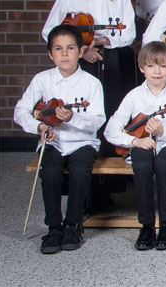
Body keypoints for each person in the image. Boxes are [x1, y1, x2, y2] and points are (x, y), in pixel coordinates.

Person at [13, 25, 106, 254]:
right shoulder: (42, 80)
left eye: (71, 48)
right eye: (58, 49)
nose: (65, 54)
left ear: (81, 51)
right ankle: (54, 227)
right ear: (50, 54)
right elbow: (20, 111)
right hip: (53, 142)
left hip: (82, 142)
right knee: (50, 172)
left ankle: (73, 224)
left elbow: (97, 120)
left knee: (79, 172)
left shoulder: (91, 83)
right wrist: (40, 125)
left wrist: (73, 117)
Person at [104, 41, 166, 251]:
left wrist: (164, 133)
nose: (157, 71)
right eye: (151, 66)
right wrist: (134, 141)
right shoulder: (134, 96)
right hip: (142, 144)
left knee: (164, 164)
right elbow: (110, 130)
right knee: (142, 165)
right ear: (141, 68)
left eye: (163, 66)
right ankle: (146, 225)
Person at [41, 0, 137, 117]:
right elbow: (49, 31)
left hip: (112, 59)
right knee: (83, 108)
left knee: (112, 107)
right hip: (79, 61)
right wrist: (79, 50)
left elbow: (130, 33)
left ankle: (109, 147)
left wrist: (102, 40)